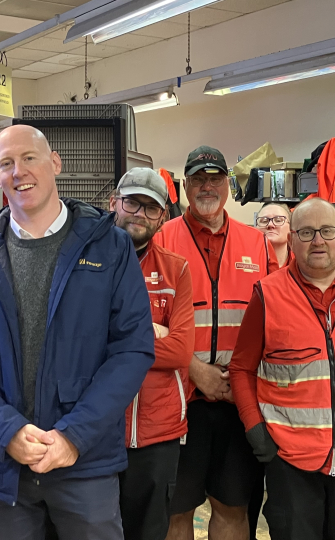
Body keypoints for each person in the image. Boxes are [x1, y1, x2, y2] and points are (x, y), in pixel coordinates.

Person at [0, 125, 155, 540]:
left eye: (29, 158)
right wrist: (6, 431)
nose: (19, 171)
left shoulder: (110, 248)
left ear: (55, 163)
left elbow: (132, 350)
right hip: (1, 469)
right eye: (6, 164)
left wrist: (74, 436)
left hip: (84, 464)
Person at [229, 197, 335, 540]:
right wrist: (258, 434)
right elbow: (241, 369)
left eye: (327, 231)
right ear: (291, 239)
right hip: (290, 461)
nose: (318, 241)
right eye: (306, 232)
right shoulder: (268, 293)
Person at [158, 146, 278, 540]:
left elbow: (275, 317)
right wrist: (197, 371)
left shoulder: (257, 244)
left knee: (233, 506)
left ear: (227, 184)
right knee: (176, 510)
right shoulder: (161, 239)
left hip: (237, 401)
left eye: (215, 179)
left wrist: (237, 380)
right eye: (197, 179)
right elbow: (144, 321)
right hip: (178, 400)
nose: (206, 187)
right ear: (185, 186)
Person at [109, 168, 195, 540]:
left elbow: (179, 352)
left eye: (151, 208)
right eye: (132, 203)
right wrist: (152, 332)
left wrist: (116, 338)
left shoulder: (176, 270)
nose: (139, 215)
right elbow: (78, 344)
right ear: (114, 202)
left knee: (149, 531)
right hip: (98, 427)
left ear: (163, 216)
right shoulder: (85, 263)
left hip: (158, 433)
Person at [255, 203, 292, 268]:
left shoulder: (302, 264)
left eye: (278, 220)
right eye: (264, 221)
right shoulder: (247, 262)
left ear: (291, 227)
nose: (270, 225)